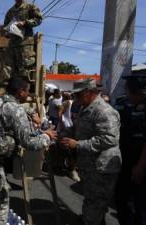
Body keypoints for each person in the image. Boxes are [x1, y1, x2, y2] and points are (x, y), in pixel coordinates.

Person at [0, 76, 57, 225]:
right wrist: (47, 136)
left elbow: (10, 114)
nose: (28, 95)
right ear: (20, 91)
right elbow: (29, 142)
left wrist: (30, 116)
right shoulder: (15, 110)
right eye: (27, 91)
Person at [59, 78, 121, 225]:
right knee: (92, 202)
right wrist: (62, 135)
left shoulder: (104, 111)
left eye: (77, 95)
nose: (75, 98)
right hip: (90, 166)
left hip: (102, 167)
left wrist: (78, 144)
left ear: (87, 93)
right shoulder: (85, 108)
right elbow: (77, 128)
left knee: (96, 204)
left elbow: (110, 139)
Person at [114, 74, 146, 225]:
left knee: (140, 204)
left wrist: (140, 166)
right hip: (123, 159)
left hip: (140, 162)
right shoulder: (122, 103)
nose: (127, 94)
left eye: (129, 91)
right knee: (121, 199)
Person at [3, 0, 42, 78]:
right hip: (13, 42)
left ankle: (24, 87)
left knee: (25, 65)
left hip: (26, 42)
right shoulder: (10, 12)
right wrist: (8, 31)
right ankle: (4, 85)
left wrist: (25, 23)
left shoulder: (30, 7)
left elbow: (39, 19)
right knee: (8, 65)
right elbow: (6, 26)